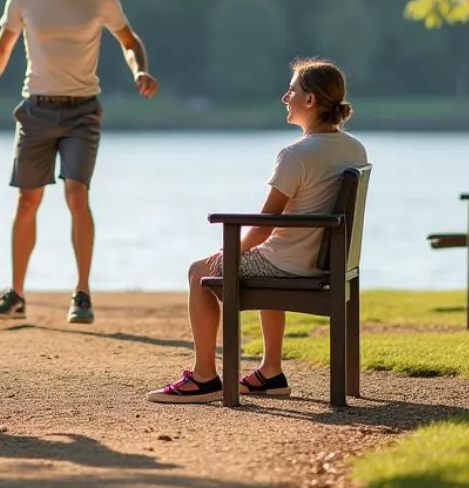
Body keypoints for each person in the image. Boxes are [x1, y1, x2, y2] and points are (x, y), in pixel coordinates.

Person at [0, 0, 158, 325]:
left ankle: (82, 293)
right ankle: (15, 293)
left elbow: (129, 40)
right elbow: (1, 50)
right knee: (28, 199)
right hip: (36, 108)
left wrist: (138, 68)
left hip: (82, 111)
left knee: (76, 193)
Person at [148, 59, 367, 404]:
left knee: (198, 272)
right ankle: (270, 373)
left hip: (289, 263)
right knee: (263, 256)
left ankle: (204, 377)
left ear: (310, 100)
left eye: (292, 90)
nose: (286, 96)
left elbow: (265, 225)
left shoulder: (296, 155)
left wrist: (230, 253)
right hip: (323, 261)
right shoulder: (355, 148)